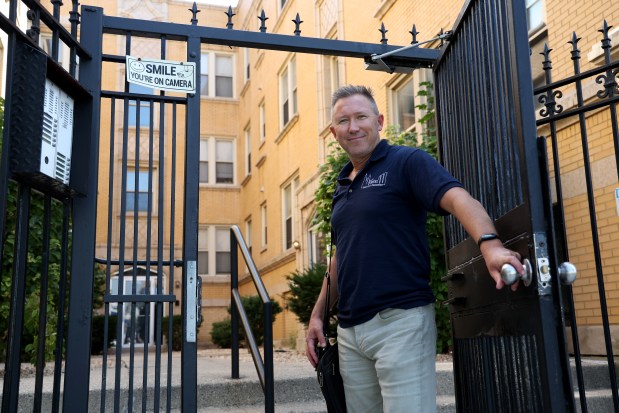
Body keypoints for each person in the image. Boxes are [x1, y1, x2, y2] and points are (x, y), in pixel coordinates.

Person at [305, 85, 525, 412]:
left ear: (379, 121)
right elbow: (341, 257)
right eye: (343, 121)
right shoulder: (341, 186)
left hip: (401, 323)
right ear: (333, 132)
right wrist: (317, 315)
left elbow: (458, 199)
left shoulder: (406, 161)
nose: (353, 127)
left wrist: (490, 245)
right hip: (350, 334)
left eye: (360, 117)